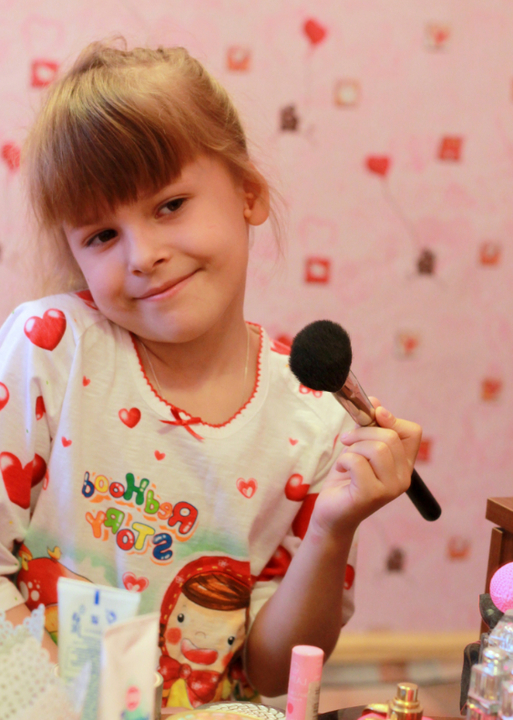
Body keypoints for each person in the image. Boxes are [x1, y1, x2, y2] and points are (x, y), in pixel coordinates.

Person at [0, 39, 421, 704]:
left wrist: (332, 527)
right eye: (102, 236)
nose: (142, 255)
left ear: (248, 194)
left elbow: (273, 674)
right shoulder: (49, 349)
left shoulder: (312, 418)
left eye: (169, 205)